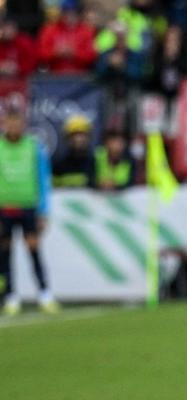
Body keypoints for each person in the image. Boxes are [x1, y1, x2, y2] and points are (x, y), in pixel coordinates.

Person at [0, 105, 57, 314]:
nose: (14, 126)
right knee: (4, 252)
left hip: (28, 207)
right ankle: (11, 296)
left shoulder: (33, 147)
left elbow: (43, 179)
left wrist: (43, 210)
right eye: (10, 122)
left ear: (23, 124)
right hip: (4, 208)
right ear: (4, 124)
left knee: (33, 250)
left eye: (18, 122)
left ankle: (44, 293)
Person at [52, 115, 95, 187]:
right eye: (74, 134)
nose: (78, 139)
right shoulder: (58, 164)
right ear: (67, 138)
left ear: (88, 137)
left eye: (82, 134)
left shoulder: (95, 163)